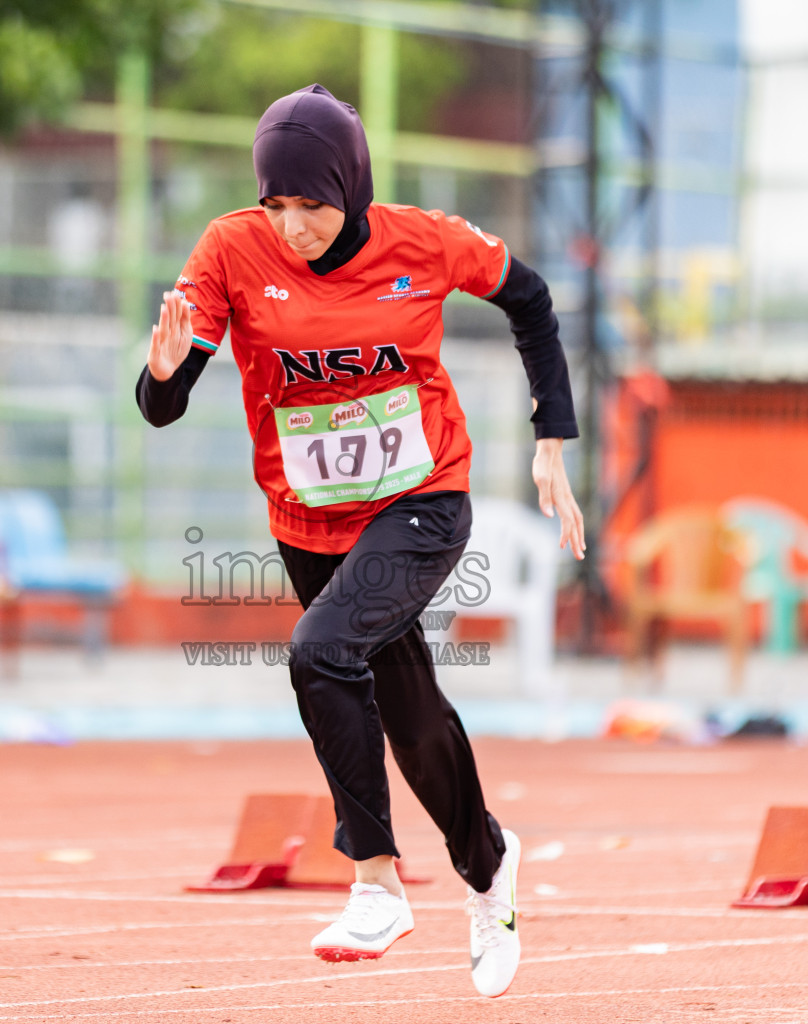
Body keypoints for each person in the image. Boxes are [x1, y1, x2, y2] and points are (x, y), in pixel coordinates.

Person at [137, 84, 584, 999]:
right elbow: (163, 405)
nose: (293, 226)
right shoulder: (230, 248)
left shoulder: (423, 242)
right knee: (412, 717)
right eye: (276, 203)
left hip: (422, 498)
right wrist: (162, 374)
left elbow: (531, 301)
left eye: (312, 203)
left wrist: (552, 438)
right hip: (308, 517)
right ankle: (490, 864)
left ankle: (375, 880)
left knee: (319, 651)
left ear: (351, 185)